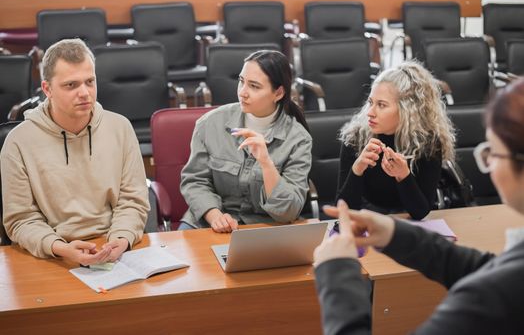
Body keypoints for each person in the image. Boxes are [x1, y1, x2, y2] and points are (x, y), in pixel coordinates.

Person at [313, 77, 524, 334]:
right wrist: (396, 234)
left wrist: (337, 274)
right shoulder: (507, 273)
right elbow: (483, 267)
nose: (489, 165)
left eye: (492, 151)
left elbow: (492, 277)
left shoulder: (492, 294)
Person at [1, 39, 149, 265]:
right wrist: (60, 248)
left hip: (113, 248)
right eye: (71, 85)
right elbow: (21, 220)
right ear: (47, 89)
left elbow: (132, 201)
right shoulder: (18, 142)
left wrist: (122, 238)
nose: (85, 93)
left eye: (90, 82)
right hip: (53, 253)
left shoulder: (120, 128)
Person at [179, 50, 312, 232]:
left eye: (254, 86)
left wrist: (266, 163)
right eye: (241, 81)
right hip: (207, 223)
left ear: (278, 93)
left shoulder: (298, 138)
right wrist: (214, 215)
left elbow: (288, 211)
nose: (243, 92)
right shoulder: (210, 123)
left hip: (266, 227)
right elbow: (194, 181)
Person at [337, 61, 455, 220]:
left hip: (409, 227)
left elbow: (420, 212)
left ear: (407, 111)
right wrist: (357, 169)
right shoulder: (355, 137)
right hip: (368, 223)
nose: (370, 113)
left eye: (381, 105)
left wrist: (403, 176)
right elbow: (343, 211)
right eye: (370, 102)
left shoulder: (427, 143)